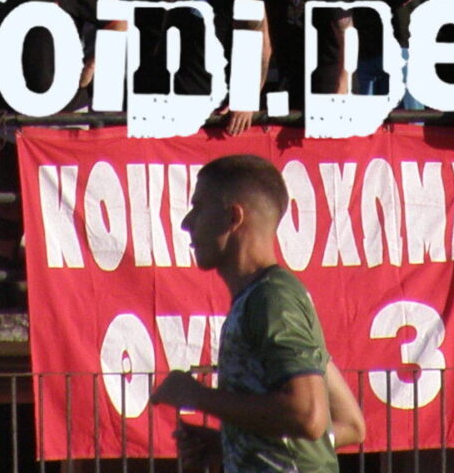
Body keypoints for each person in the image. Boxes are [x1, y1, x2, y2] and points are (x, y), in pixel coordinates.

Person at [150, 154, 357, 471]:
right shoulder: (263, 298)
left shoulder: (272, 299)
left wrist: (197, 396)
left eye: (199, 207)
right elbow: (350, 424)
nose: (187, 222)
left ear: (233, 217)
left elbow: (307, 415)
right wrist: (231, 442)